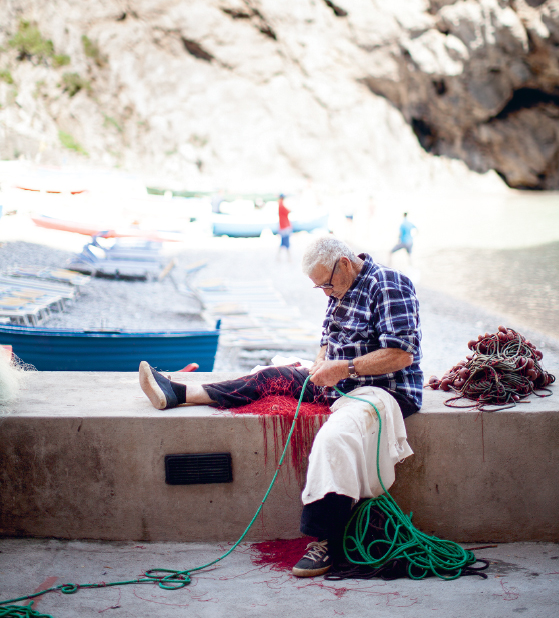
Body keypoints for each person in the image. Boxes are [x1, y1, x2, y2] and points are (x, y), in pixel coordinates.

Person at [138, 237, 423, 578]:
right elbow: (326, 342)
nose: (325, 293)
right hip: (341, 381)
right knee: (270, 377)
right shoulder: (339, 288)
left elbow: (400, 353)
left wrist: (343, 369)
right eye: (319, 287)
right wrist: (320, 365)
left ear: (345, 264)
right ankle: (181, 392)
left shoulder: (391, 285)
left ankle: (327, 541)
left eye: (327, 284)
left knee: (334, 439)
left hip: (384, 390)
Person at [277, 193, 292, 259]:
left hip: (282, 226)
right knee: (286, 242)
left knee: (283, 243)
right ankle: (289, 258)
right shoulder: (281, 205)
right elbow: (288, 211)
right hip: (285, 226)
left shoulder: (280, 204)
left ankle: (279, 257)